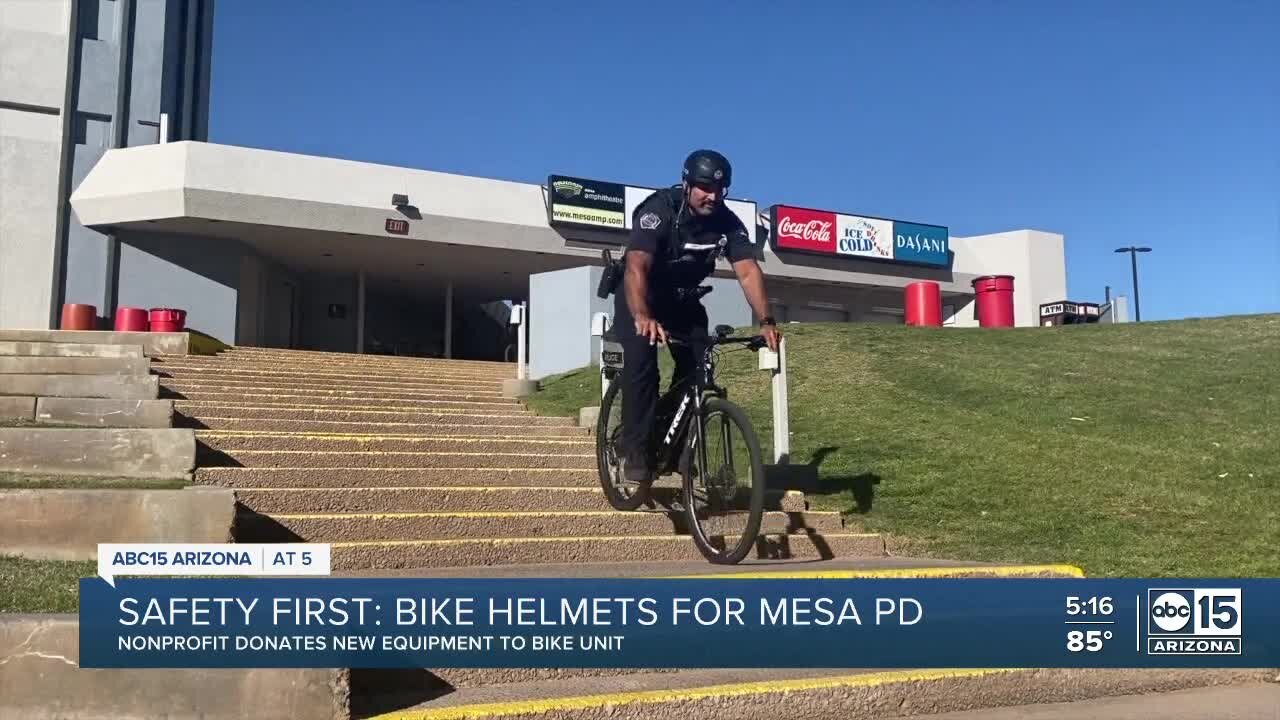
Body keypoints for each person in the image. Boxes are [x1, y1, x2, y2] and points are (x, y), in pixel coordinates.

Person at [611, 149, 781, 485]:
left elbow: (747, 271)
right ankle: (633, 450)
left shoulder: (727, 222)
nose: (712, 196)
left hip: (682, 301)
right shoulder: (659, 210)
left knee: (699, 366)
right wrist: (643, 315)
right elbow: (636, 266)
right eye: (704, 187)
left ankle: (668, 440)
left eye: (719, 190)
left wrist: (766, 320)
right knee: (644, 366)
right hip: (640, 296)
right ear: (687, 184)